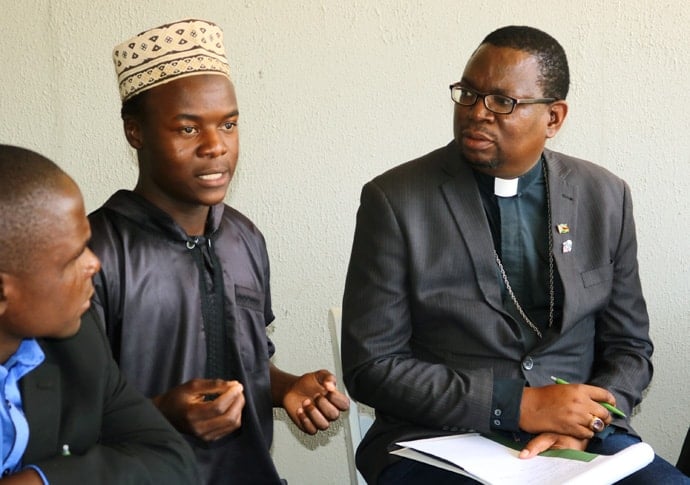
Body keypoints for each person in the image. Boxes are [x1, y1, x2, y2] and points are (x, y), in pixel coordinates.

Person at [341, 25, 689, 484]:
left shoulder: (605, 197)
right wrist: (518, 405)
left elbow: (629, 348)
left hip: (579, 441)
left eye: (502, 102)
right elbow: (372, 367)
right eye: (468, 94)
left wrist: (588, 420)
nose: (476, 113)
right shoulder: (396, 199)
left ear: (554, 117)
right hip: (439, 440)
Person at [89, 19, 349, 484]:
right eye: (188, 129)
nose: (216, 147)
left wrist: (288, 388)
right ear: (135, 132)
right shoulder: (93, 253)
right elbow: (60, 413)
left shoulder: (244, 238)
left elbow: (243, 361)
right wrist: (159, 414)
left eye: (228, 124)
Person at [0, 145, 199, 484]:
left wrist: (40, 481)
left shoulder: (77, 342)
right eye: (72, 259)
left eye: (87, 246)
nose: (94, 264)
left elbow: (171, 460)